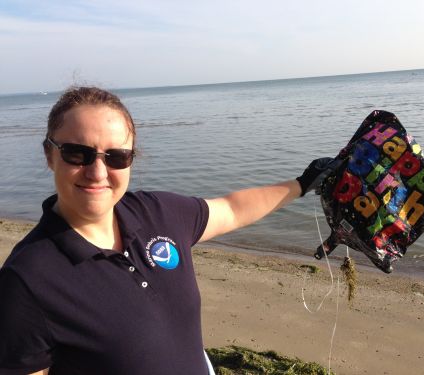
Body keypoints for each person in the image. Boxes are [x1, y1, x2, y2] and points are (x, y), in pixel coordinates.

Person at [0, 87, 335, 375]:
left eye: (117, 157)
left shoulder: (158, 213)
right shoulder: (28, 279)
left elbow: (232, 208)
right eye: (78, 153)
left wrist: (303, 183)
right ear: (49, 155)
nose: (98, 171)